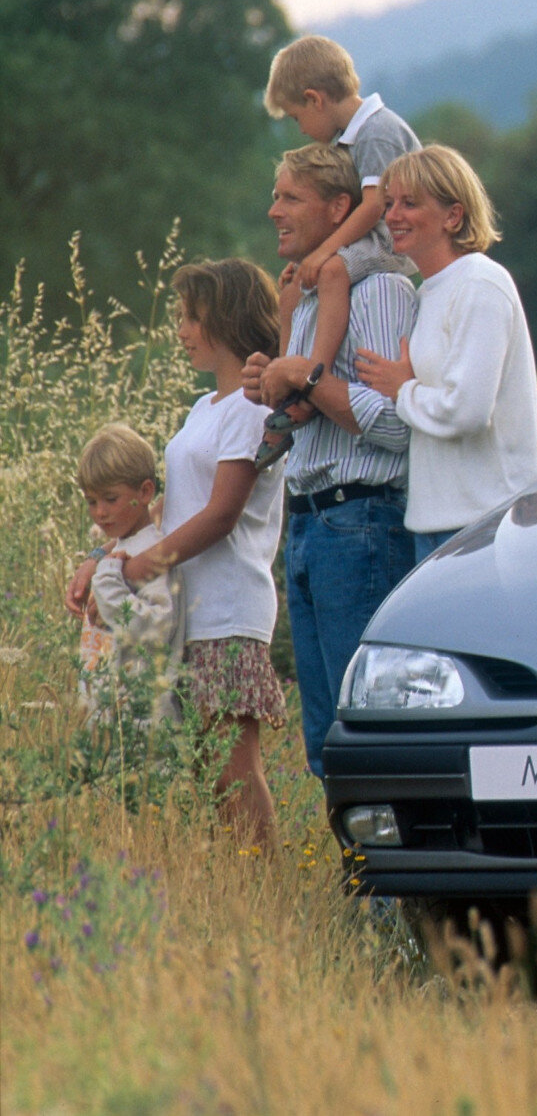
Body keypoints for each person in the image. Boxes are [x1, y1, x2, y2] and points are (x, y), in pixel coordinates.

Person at [66, 262, 289, 843]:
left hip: (227, 608)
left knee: (234, 772)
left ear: (226, 319)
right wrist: (103, 557)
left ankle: (263, 887)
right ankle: (239, 889)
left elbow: (221, 513)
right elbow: (174, 506)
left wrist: (142, 567)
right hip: (190, 613)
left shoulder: (248, 406)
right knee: (206, 769)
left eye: (193, 317)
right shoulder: (203, 409)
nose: (182, 330)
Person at [242, 144, 418, 779]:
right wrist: (273, 379)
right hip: (313, 524)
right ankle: (359, 877)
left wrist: (307, 378)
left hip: (361, 520)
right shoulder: (310, 299)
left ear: (340, 207)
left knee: (365, 725)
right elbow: (308, 402)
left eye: (290, 197)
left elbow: (400, 423)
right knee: (324, 738)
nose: (274, 211)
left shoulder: (381, 291)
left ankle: (390, 877)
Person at [356, 146, 537, 561]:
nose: (392, 216)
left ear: (453, 216)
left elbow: (468, 410)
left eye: (409, 203)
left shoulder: (481, 283)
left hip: (487, 524)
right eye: (389, 204)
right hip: (433, 526)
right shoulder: (427, 292)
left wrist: (403, 390)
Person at [258, 35, 421, 468]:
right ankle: (290, 380)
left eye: (297, 117)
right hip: (372, 238)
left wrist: (323, 251)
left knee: (328, 273)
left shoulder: (378, 131)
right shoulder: (351, 138)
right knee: (296, 286)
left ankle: (314, 379)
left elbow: (373, 207)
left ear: (314, 100)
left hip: (389, 241)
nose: (300, 129)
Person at [72, 423, 177, 722]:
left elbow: (158, 628)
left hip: (141, 721)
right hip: (104, 713)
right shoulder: (117, 550)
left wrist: (106, 577)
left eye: (110, 499)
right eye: (91, 501)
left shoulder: (151, 552)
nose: (100, 512)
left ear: (145, 492)